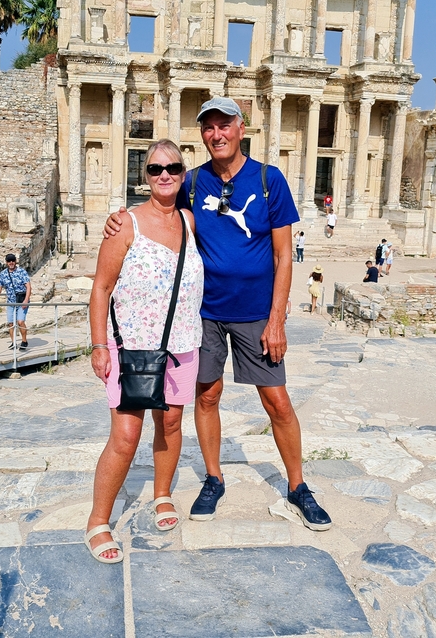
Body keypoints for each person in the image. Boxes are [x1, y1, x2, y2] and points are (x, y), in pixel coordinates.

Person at [104, 96, 331, 532]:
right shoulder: (194, 181)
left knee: (277, 400)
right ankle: (213, 476)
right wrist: (119, 219)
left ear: (241, 128)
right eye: (208, 127)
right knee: (206, 396)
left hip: (255, 313)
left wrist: (278, 318)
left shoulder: (269, 179)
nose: (217, 133)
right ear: (203, 135)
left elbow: (285, 257)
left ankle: (299, 486)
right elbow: (161, 205)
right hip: (204, 313)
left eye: (224, 125)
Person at [86, 139, 204, 564]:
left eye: (173, 167)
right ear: (145, 176)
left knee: (171, 424)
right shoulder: (125, 225)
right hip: (132, 346)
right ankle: (98, 520)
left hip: (183, 343)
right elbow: (100, 287)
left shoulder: (191, 221)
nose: (164, 174)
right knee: (125, 435)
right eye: (155, 169)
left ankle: (161, 494)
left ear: (183, 173)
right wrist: (99, 345)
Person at [0, 253, 31, 350]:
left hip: (22, 301)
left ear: (15, 261)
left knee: (20, 321)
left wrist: (26, 300)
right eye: (9, 261)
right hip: (10, 301)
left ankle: (24, 341)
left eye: (13, 260)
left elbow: (28, 286)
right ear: (6, 262)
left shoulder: (22, 272)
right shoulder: (3, 274)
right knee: (10, 323)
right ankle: (13, 342)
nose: (11, 263)